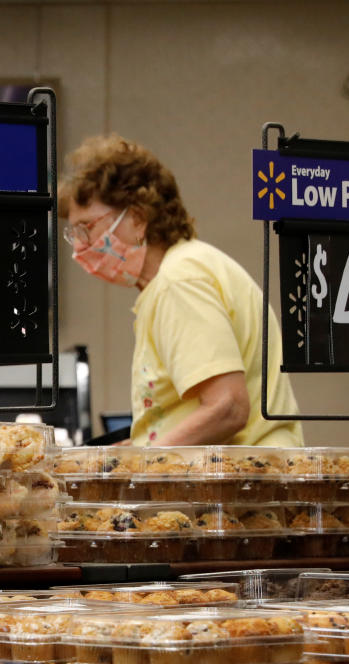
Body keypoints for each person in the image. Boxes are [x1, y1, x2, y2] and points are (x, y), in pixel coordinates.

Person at [58, 134, 303, 447]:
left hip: (237, 490)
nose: (79, 246)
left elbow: (228, 407)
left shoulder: (179, 282)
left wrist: (143, 465)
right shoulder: (186, 268)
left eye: (87, 228)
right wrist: (129, 453)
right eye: (73, 233)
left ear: (137, 217)